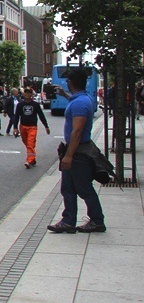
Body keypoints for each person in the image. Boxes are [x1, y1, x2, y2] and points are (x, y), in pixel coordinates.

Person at [48, 67, 105, 234]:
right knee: (68, 188)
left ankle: (97, 220)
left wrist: (69, 155)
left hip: (78, 152)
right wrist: (65, 95)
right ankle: (68, 221)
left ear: (69, 82)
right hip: (75, 150)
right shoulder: (81, 98)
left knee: (83, 187)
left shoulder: (80, 103)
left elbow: (78, 131)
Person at [15, 87, 50, 168]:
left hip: (32, 127)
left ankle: (29, 160)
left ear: (31, 94)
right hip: (23, 126)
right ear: (23, 94)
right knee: (27, 143)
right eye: (25, 92)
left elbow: (41, 116)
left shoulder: (35, 105)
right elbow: (17, 116)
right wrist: (15, 128)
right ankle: (33, 158)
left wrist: (46, 126)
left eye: (29, 93)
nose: (27, 94)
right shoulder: (20, 105)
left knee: (30, 143)